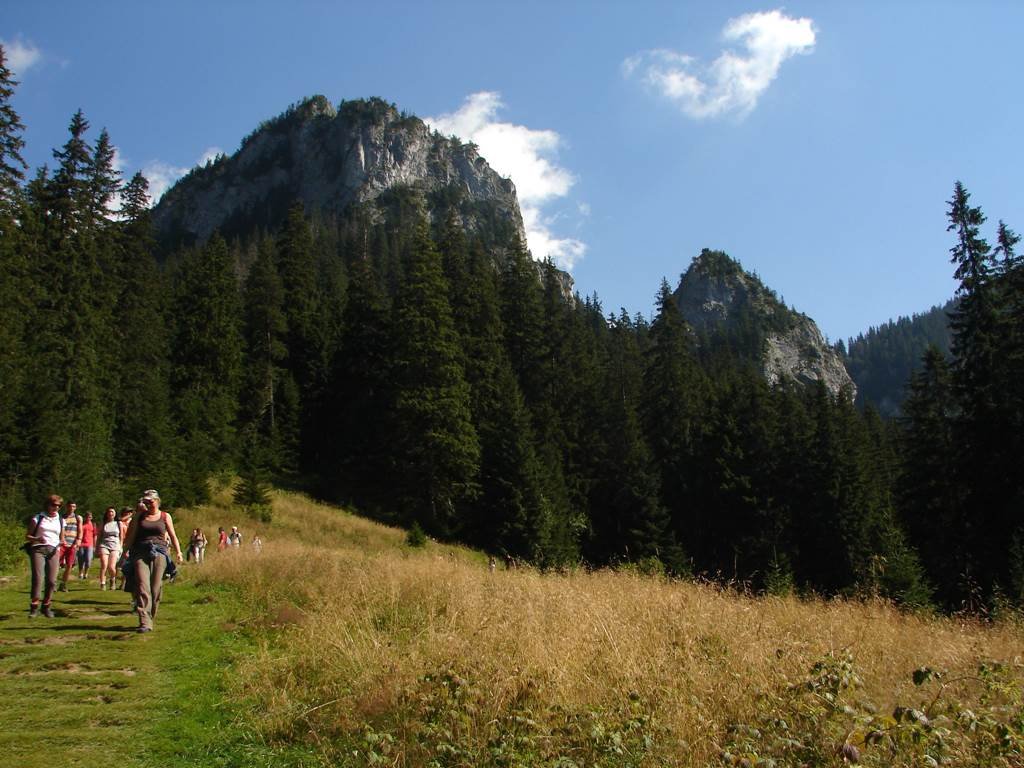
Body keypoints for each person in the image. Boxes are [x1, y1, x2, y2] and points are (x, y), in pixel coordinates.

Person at [121, 490, 183, 633]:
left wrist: (178, 552)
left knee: (155, 588)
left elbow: (173, 535)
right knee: (143, 586)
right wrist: (124, 553)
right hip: (140, 552)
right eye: (146, 501)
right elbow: (131, 537)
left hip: (160, 553)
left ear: (157, 501)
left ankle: (151, 615)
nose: (148, 504)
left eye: (150, 501)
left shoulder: (165, 516)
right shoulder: (139, 517)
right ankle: (145, 621)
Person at [25, 494, 65, 618]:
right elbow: (27, 536)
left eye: (58, 505)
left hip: (54, 550)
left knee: (52, 580)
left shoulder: (60, 520)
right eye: (53, 505)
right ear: (47, 505)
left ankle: (46, 605)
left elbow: (62, 537)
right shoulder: (38, 518)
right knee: (38, 578)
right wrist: (37, 538)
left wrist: (63, 542)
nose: (56, 508)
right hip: (38, 549)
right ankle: (34, 606)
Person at [57, 500, 82, 592]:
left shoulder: (78, 517)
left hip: (72, 544)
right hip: (62, 543)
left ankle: (63, 584)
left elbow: (80, 530)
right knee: (56, 564)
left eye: (73, 506)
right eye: (70, 506)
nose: (72, 508)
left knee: (69, 565)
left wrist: (78, 540)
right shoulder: (61, 517)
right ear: (67, 507)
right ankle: (53, 583)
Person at [97, 507, 122, 590]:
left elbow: (121, 536)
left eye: (112, 512)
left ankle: (112, 579)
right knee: (104, 564)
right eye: (109, 512)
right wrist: (97, 547)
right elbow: (99, 536)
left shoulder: (118, 523)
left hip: (115, 546)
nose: (111, 513)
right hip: (104, 545)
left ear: (115, 514)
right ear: (107, 514)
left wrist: (121, 547)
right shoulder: (103, 524)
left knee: (111, 566)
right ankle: (102, 583)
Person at [77, 510, 96, 580]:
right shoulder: (82, 524)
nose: (89, 518)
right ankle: (80, 572)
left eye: (90, 517)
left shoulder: (93, 525)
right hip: (81, 544)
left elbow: (95, 535)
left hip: (90, 544)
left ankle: (86, 573)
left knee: (88, 559)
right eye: (87, 517)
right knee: (81, 559)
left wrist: (94, 545)